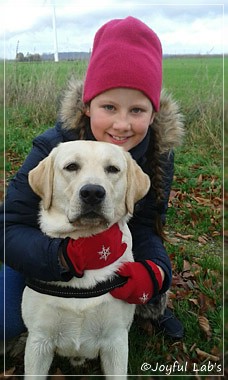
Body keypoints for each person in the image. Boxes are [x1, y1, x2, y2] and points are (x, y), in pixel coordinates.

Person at [0, 16, 184, 345]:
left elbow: (146, 225)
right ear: (87, 106)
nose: (122, 125)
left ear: (153, 114)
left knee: (145, 288)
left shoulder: (157, 154)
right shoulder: (53, 148)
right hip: (43, 248)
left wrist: (156, 272)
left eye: (137, 111)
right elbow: (9, 227)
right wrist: (59, 256)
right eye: (109, 107)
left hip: (112, 253)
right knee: (5, 320)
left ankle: (149, 308)